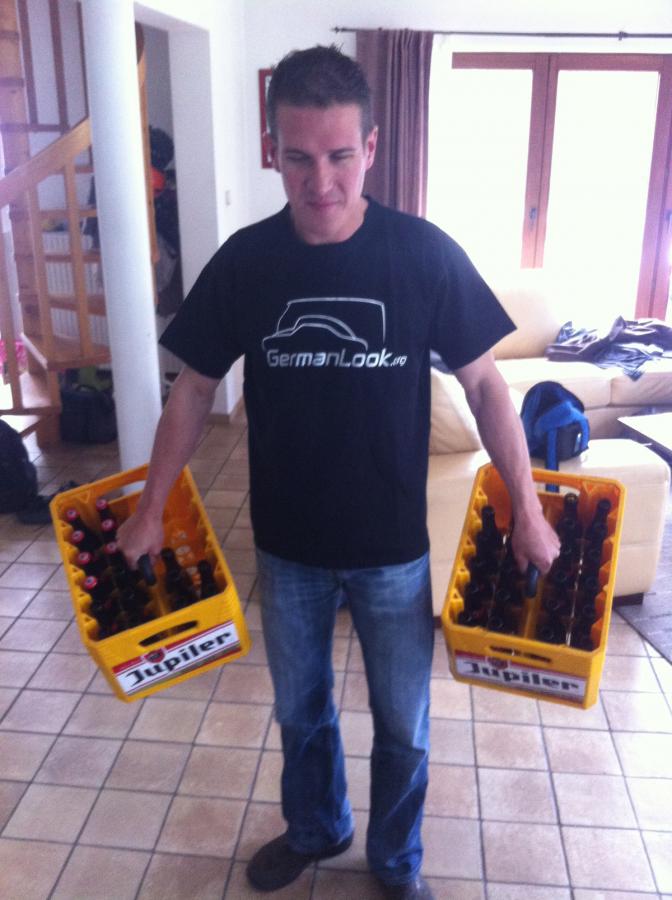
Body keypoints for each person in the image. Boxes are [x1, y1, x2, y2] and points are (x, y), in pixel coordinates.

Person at [118, 45, 559, 900]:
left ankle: (395, 862)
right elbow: (194, 388)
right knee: (300, 712)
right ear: (272, 151)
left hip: (392, 547)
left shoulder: (423, 255)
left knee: (404, 725)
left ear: (372, 148)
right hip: (287, 546)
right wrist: (149, 507)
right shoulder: (247, 261)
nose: (320, 181)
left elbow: (485, 386)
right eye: (298, 158)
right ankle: (317, 828)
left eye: (340, 156)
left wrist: (530, 508)